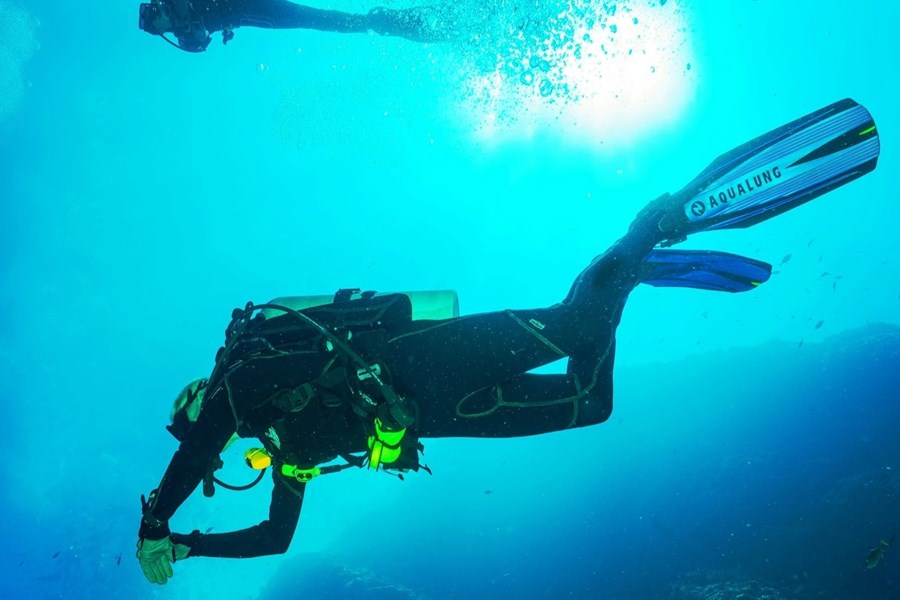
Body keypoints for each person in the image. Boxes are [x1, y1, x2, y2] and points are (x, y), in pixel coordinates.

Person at [136, 98, 879, 584]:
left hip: (422, 358)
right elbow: (276, 538)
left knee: (577, 324)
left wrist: (153, 522)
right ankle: (635, 273)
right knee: (593, 405)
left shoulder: (245, 373)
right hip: (441, 417)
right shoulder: (284, 444)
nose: (207, 427)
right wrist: (188, 544)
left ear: (203, 391)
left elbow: (199, 444)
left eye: (194, 408)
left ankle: (647, 231)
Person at [138, 0, 456, 52]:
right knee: (313, 19)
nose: (161, 15)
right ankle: (397, 23)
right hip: (255, 11)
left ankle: (387, 22)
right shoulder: (181, 31)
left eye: (156, 12)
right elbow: (198, 45)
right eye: (157, 22)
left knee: (313, 19)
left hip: (253, 9)